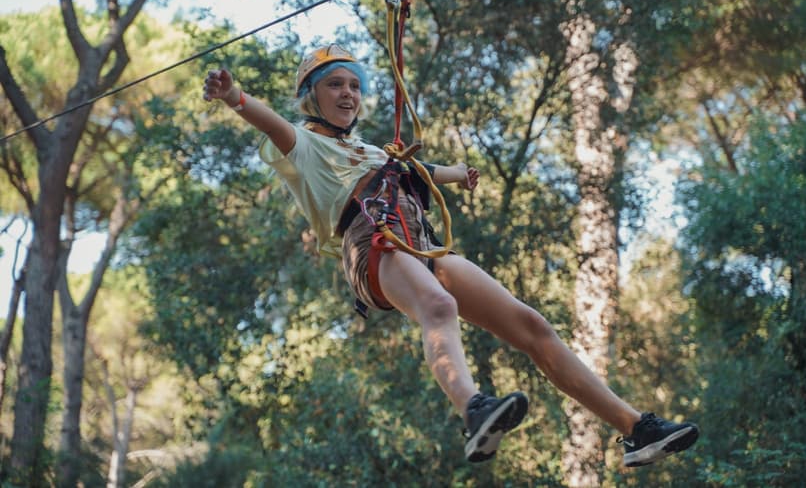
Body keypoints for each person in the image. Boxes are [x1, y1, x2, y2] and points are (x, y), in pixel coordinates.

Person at [202, 44, 699, 465]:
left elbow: (418, 169)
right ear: (311, 95)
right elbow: (271, 125)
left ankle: (638, 429)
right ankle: (474, 409)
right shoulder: (306, 144)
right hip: (372, 243)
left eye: (353, 86)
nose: (347, 94)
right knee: (439, 306)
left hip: (419, 243)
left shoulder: (374, 152)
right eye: (333, 85)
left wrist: (459, 173)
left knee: (531, 325)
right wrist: (234, 97)